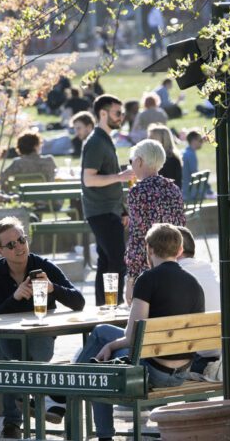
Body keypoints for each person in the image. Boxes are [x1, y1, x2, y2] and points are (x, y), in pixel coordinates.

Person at [75, 223, 204, 441]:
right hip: (181, 372)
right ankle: (74, 380)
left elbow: (132, 336)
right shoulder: (194, 284)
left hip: (153, 372)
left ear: (150, 250)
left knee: (98, 362)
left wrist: (110, 345)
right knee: (102, 333)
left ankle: (73, 389)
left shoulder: (147, 279)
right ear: (180, 251)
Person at [0, 217, 86, 438]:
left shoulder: (43, 266)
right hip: (7, 337)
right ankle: (40, 400)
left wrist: (52, 288)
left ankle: (21, 405)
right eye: (11, 244)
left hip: (40, 333)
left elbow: (79, 301)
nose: (19, 246)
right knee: (2, 348)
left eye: (21, 240)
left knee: (15, 362)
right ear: (0, 251)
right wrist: (15, 296)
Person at [81, 94, 134, 306]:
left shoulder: (105, 138)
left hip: (109, 210)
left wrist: (122, 210)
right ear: (103, 113)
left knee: (106, 261)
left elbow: (107, 178)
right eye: (117, 113)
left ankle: (104, 307)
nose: (121, 117)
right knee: (117, 260)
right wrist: (120, 177)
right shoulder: (95, 141)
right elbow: (89, 179)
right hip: (99, 210)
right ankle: (113, 306)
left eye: (121, 113)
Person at [123, 139, 186, 302]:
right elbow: (182, 228)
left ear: (140, 161)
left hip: (148, 269)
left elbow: (137, 238)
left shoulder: (138, 192)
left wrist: (131, 278)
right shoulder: (174, 189)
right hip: (174, 264)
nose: (131, 165)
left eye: (132, 161)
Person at [177, 226, 221, 373]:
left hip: (197, 360)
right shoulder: (209, 269)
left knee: (103, 334)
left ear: (177, 250)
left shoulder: (175, 274)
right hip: (220, 356)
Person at [181, 129, 213, 202]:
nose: (202, 143)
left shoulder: (185, 152)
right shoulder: (190, 154)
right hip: (188, 193)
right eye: (200, 141)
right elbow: (195, 174)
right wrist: (208, 189)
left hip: (183, 191)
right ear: (193, 141)